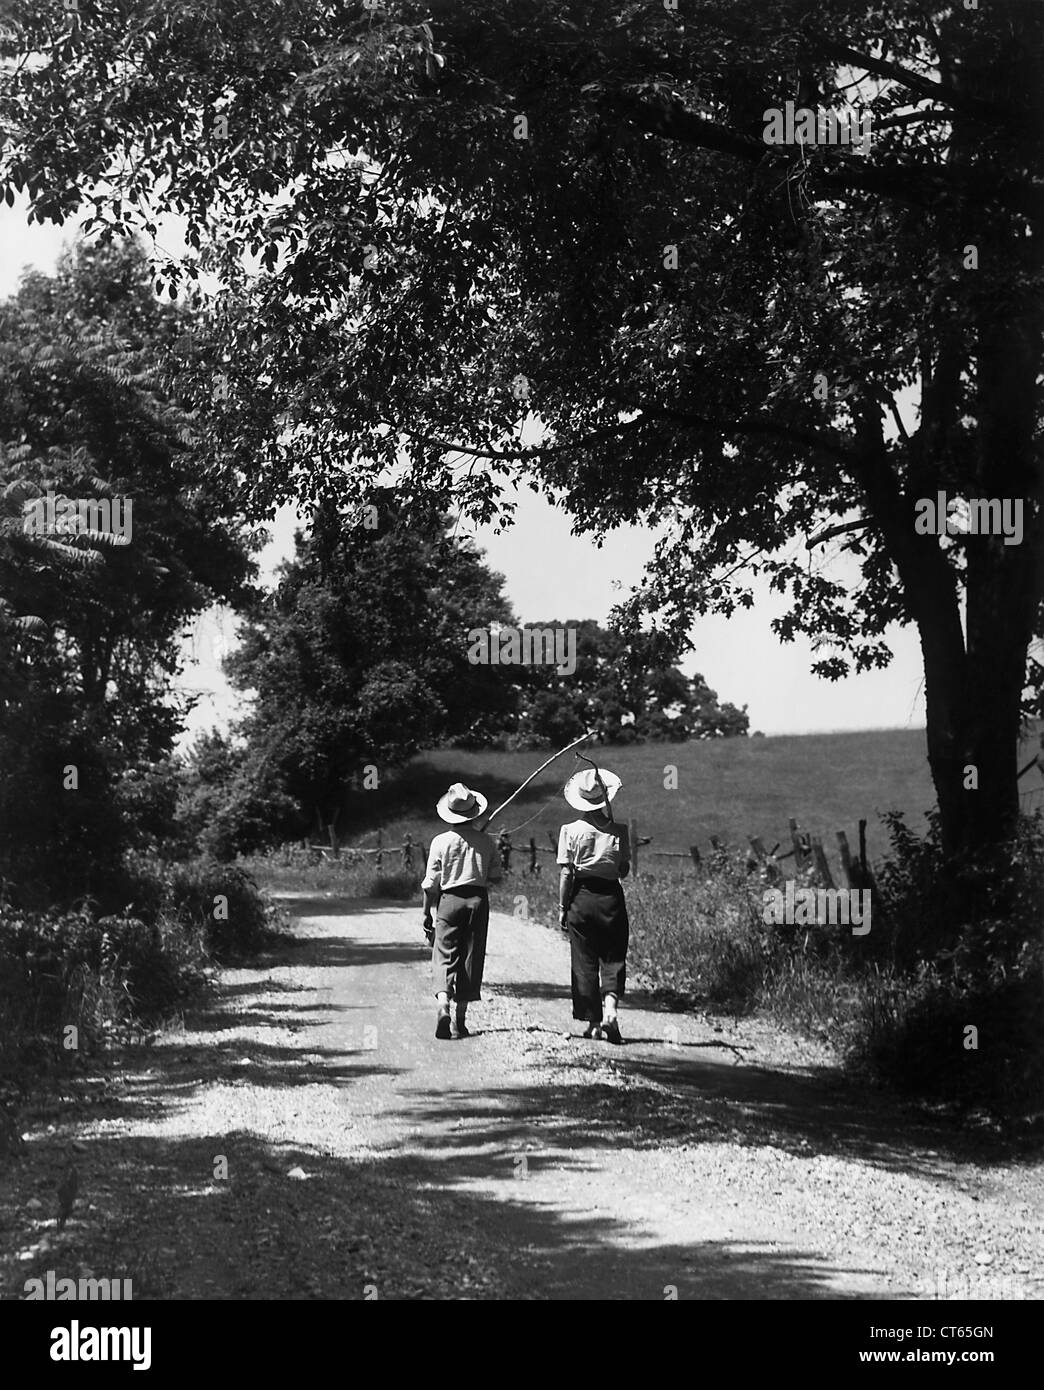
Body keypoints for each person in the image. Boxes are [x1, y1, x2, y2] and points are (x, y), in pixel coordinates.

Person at [557, 765, 630, 1043]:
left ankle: (593, 1023)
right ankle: (610, 1011)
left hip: (581, 897)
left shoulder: (569, 830)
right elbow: (623, 870)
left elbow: (566, 872)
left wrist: (563, 908)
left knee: (584, 959)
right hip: (611, 897)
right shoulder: (619, 830)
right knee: (613, 955)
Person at [421, 783, 501, 1040]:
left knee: (444, 953)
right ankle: (461, 1020)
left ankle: (443, 1003)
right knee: (470, 956)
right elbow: (496, 877)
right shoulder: (487, 841)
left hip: (449, 900)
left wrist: (426, 914)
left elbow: (430, 885)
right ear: (474, 812)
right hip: (477, 901)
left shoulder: (440, 841)